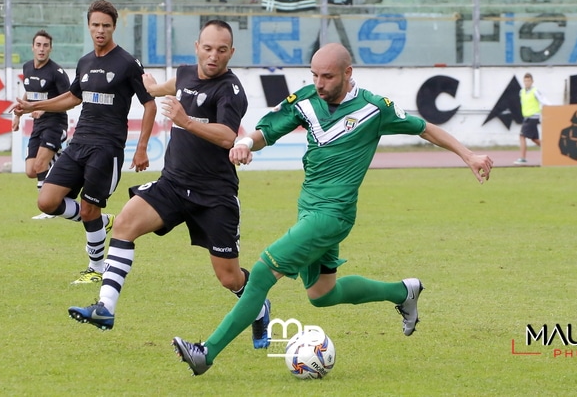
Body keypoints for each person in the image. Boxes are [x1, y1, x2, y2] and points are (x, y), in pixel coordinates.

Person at [172, 43, 494, 376]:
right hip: (308, 210)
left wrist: (468, 155)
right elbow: (267, 130)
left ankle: (206, 353)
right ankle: (403, 291)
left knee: (261, 275)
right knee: (321, 293)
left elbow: (424, 128)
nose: (320, 83)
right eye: (314, 75)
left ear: (347, 73)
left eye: (327, 76)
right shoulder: (307, 100)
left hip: (332, 216)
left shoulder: (373, 108)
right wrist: (243, 143)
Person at [68, 21, 272, 351]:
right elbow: (167, 86)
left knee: (229, 278)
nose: (213, 56)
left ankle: (259, 308)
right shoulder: (185, 74)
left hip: (213, 195)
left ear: (231, 53)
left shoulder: (230, 90)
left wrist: (186, 121)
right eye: (207, 48)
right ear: (196, 47)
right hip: (174, 184)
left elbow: (228, 137)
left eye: (221, 50)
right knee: (123, 224)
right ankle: (105, 308)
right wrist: (150, 83)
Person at [14, 0, 157, 283]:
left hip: (107, 147)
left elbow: (149, 104)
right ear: (89, 26)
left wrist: (141, 148)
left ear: (114, 27)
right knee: (47, 201)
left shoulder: (127, 63)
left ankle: (96, 268)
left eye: (106, 25)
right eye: (95, 25)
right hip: (78, 143)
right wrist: (31, 107)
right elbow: (72, 97)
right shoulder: (85, 61)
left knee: (90, 207)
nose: (100, 30)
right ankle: (100, 222)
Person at [13, 30, 70, 219]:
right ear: (32, 47)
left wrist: (44, 109)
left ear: (50, 49)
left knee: (40, 165)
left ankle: (48, 209)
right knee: (30, 171)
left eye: (45, 45)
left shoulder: (57, 73)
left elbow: (67, 99)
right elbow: (29, 94)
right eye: (38, 45)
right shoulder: (27, 67)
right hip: (38, 124)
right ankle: (62, 156)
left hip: (55, 122)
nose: (41, 49)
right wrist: (19, 114)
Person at [514, 73, 547, 166]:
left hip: (533, 117)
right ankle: (551, 151)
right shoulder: (522, 92)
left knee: (522, 136)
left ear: (532, 81)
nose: (527, 83)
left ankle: (523, 158)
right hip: (527, 117)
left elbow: (543, 100)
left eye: (528, 81)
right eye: (525, 81)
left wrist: (551, 107)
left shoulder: (535, 91)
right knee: (535, 139)